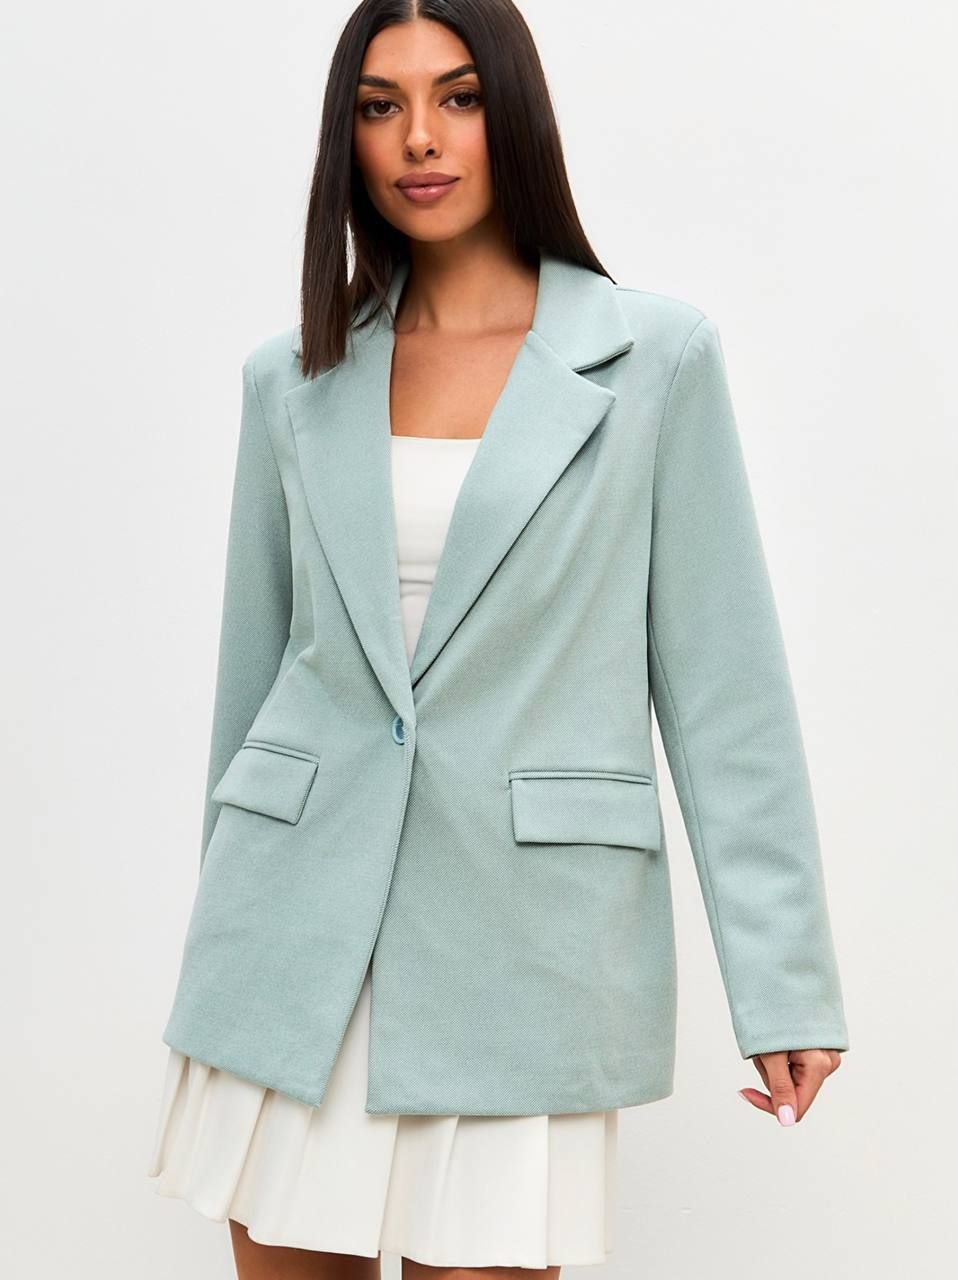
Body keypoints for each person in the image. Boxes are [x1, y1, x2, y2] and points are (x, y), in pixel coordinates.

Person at [147, 1, 849, 1277]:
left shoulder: (652, 361)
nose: (419, 136)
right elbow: (253, 679)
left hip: (523, 940)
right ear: (348, 138)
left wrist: (783, 980)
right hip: (292, 942)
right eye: (381, 106)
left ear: (512, 113)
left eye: (458, 96)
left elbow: (725, 689)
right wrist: (228, 949)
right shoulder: (291, 376)